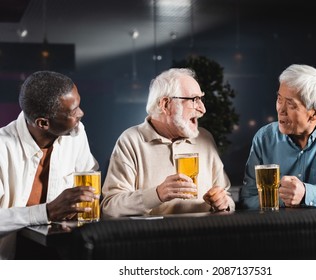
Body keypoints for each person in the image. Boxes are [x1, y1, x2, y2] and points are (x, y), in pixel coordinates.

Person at [101, 68, 235, 216]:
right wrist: (157, 194)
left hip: (202, 236)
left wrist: (224, 203)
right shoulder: (131, 140)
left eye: (201, 99)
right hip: (153, 237)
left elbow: (228, 197)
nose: (202, 109)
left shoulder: (205, 138)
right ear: (165, 104)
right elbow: (110, 207)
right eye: (194, 100)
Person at [0, 71, 99, 259]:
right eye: (73, 111)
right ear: (43, 123)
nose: (81, 113)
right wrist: (46, 211)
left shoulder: (76, 133)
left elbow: (89, 178)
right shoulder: (2, 149)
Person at [239, 64, 316, 209]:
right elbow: (248, 199)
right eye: (279, 99)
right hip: (277, 229)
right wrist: (284, 199)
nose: (281, 110)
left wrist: (306, 193)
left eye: (291, 104)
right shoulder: (264, 138)